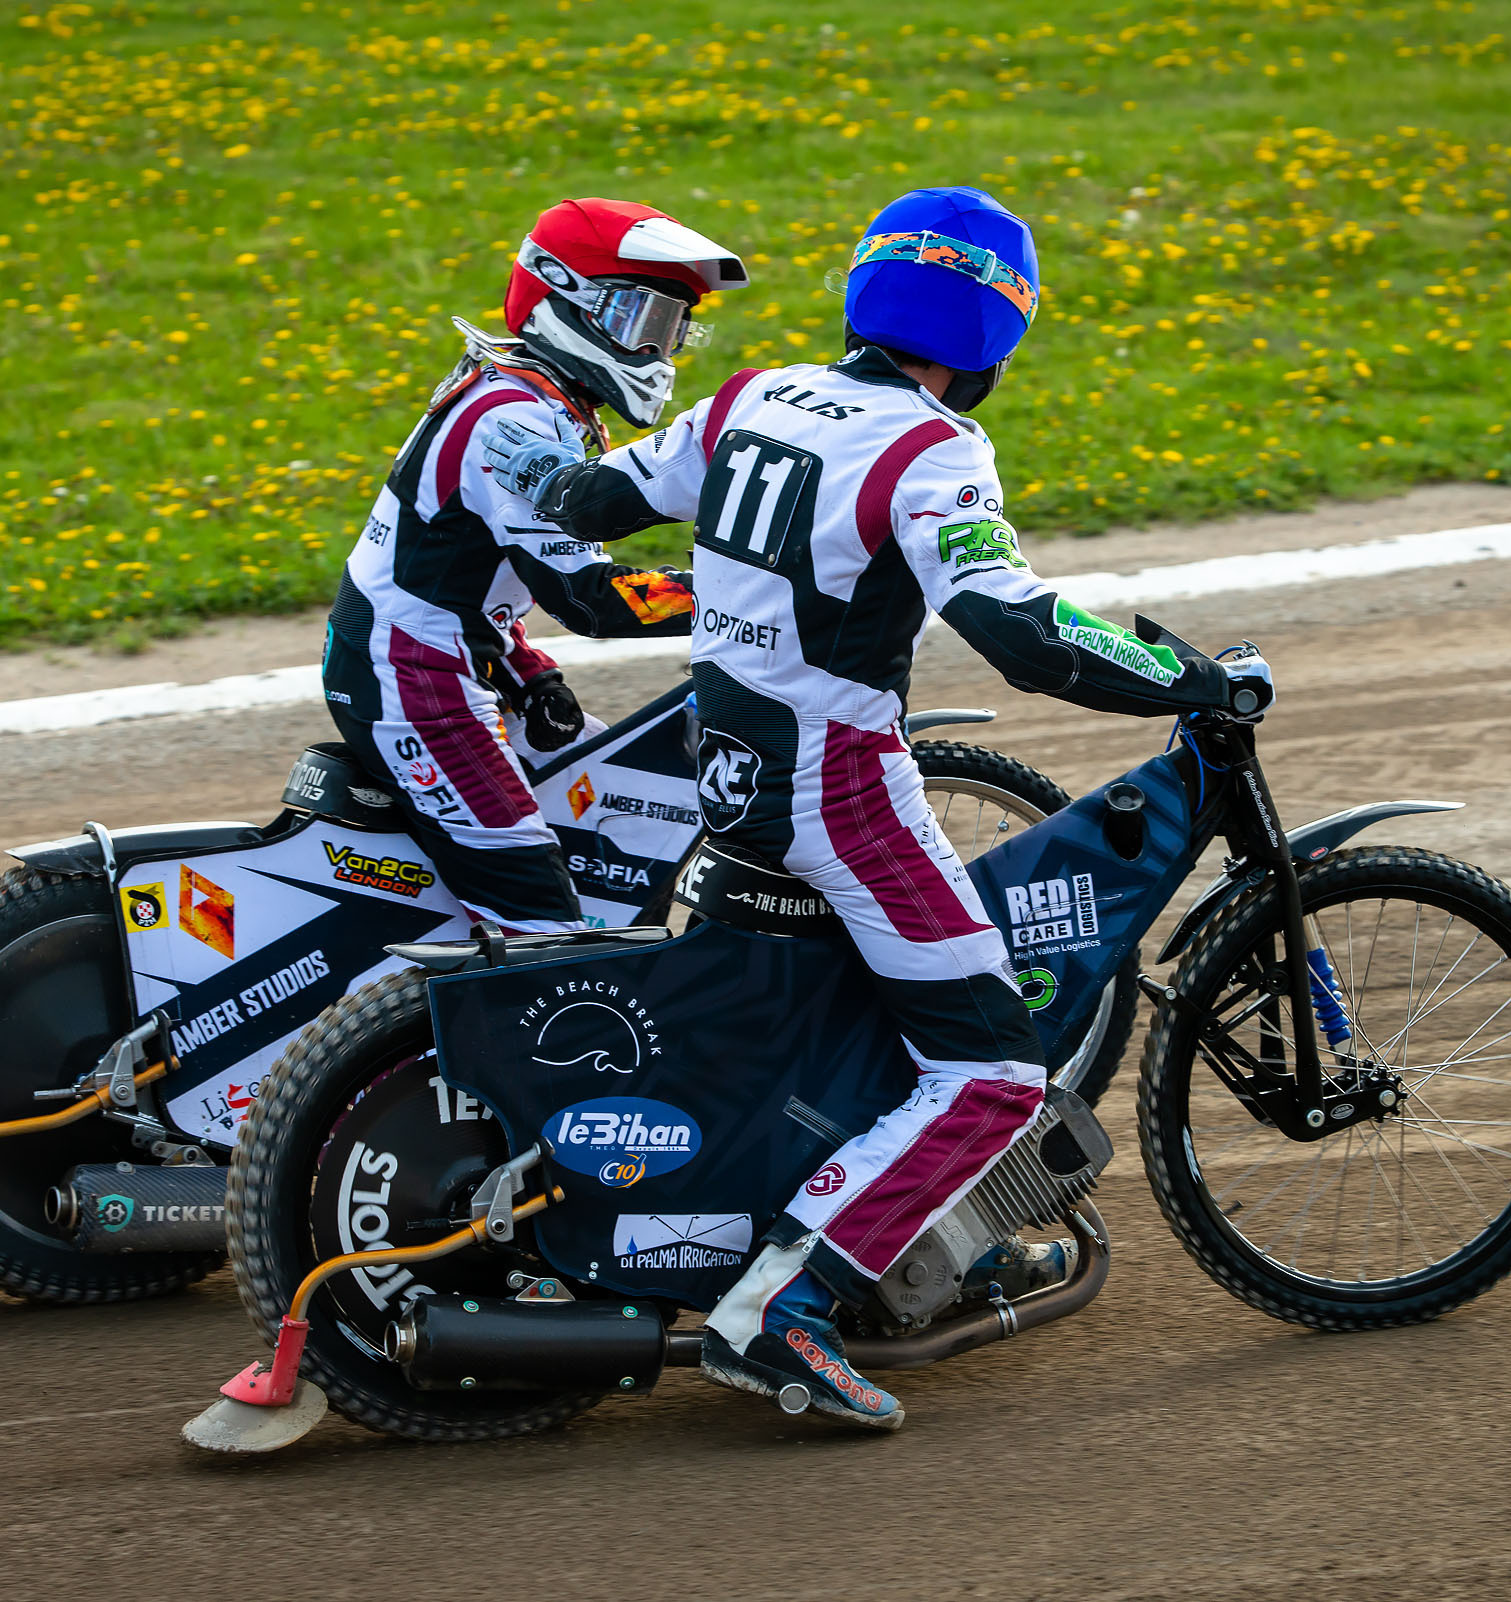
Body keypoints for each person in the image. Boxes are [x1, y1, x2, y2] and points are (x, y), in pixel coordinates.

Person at [508, 186, 1236, 1428]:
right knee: (996, 1071)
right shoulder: (935, 451)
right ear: (996, 333)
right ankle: (781, 1310)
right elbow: (1015, 633)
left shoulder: (751, 395)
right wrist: (1186, 676)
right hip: (835, 789)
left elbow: (588, 502)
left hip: (723, 766)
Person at [320, 197, 749, 933]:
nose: (657, 351)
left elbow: (462, 571)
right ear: (563, 298)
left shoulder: (534, 396)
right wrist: (743, 592)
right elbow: (593, 601)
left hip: (443, 657)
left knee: (622, 815)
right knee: (547, 926)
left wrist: (528, 673)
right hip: (418, 686)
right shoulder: (510, 418)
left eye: (673, 329)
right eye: (640, 321)